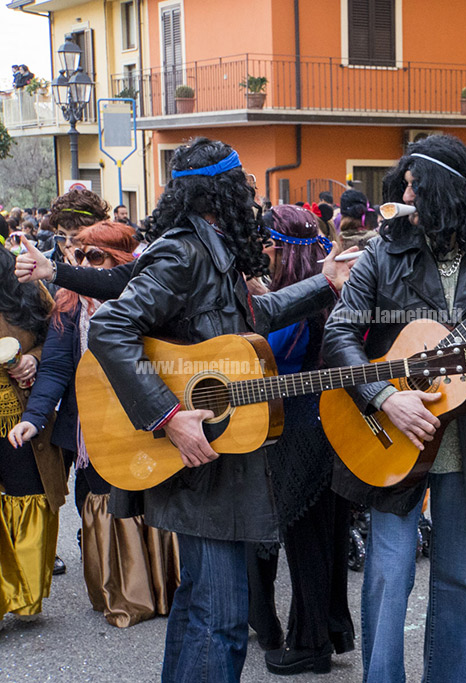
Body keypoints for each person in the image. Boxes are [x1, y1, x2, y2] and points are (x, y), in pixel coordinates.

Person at [85, 138, 352, 682]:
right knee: (223, 617)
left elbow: (252, 318)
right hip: (193, 450)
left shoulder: (214, 250)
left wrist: (325, 283)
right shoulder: (184, 252)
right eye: (243, 185)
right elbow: (112, 329)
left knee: (202, 606)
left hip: (214, 454)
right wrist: (167, 415)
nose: (250, 196)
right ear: (222, 190)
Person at [321, 133, 466, 683]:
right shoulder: (383, 251)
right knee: (388, 576)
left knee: (457, 579)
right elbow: (339, 333)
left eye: (416, 186)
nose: (405, 195)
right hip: (393, 436)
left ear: (444, 191)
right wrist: (384, 395)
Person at [9, 221, 180, 629]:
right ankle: (119, 595)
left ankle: (165, 590)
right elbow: (54, 367)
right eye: (78, 255)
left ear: (120, 261)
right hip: (90, 428)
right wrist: (34, 418)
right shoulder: (67, 306)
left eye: (94, 256)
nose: (82, 263)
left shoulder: (146, 302)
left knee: (147, 494)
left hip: (146, 419)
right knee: (100, 499)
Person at [245, 204, 356, 675]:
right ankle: (329, 630)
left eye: (268, 245)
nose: (262, 253)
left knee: (306, 537)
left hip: (297, 430)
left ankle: (310, 644)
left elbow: (271, 355)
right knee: (327, 534)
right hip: (332, 422)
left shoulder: (296, 301)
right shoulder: (333, 293)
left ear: (280, 249)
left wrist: (253, 308)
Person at [0, 247, 65, 626]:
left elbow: (57, 342)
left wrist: (33, 359)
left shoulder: (28, 288)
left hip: (21, 414)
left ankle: (23, 592)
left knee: (29, 497)